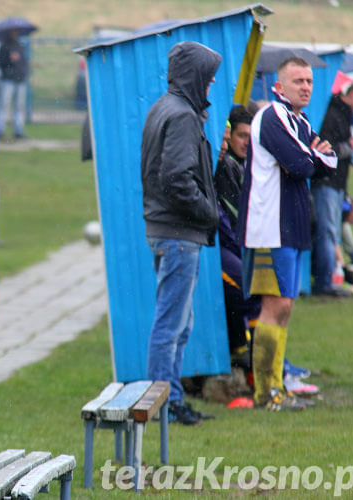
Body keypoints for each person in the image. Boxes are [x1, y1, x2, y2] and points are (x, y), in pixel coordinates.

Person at [236, 57, 337, 411]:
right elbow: (302, 165)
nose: (306, 87)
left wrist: (310, 155)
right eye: (298, 81)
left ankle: (277, 385)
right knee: (273, 305)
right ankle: (266, 392)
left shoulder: (301, 120)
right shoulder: (272, 116)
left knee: (286, 307)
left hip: (291, 227)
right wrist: (310, 155)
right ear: (280, 86)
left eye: (309, 81)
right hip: (269, 228)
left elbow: (329, 161)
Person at [140, 41, 221, 425]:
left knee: (178, 322)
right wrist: (211, 214)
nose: (213, 82)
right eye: (208, 75)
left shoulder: (163, 107)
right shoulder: (183, 114)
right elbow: (175, 178)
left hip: (167, 230)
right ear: (195, 76)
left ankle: (171, 398)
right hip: (178, 233)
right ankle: (165, 404)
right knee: (171, 324)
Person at [311, 80, 353, 296]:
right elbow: (326, 149)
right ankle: (324, 283)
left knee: (331, 232)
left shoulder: (342, 113)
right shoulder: (334, 114)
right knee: (327, 232)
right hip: (327, 182)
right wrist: (350, 147)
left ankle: (329, 279)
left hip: (336, 182)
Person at [214, 105, 261, 367]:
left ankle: (250, 357)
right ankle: (254, 363)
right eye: (241, 136)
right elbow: (229, 221)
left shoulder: (240, 165)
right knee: (250, 290)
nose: (246, 142)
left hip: (233, 246)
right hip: (220, 247)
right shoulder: (225, 167)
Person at [0, 29, 29, 140]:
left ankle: (18, 131)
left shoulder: (20, 46)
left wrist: (24, 73)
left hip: (20, 80)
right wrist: (9, 60)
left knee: (19, 106)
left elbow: (24, 63)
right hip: (8, 80)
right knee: (3, 105)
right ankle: (0, 130)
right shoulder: (4, 46)